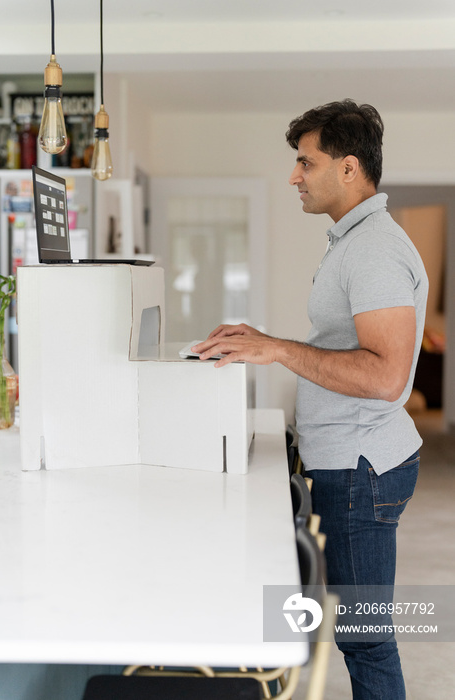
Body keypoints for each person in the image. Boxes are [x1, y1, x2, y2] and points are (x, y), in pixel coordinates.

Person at [192, 99, 428, 700]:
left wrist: (275, 349)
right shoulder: (352, 240)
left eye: (306, 162)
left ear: (350, 168)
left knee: (366, 640)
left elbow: (385, 377)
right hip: (348, 461)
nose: (294, 176)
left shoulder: (374, 248)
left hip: (361, 467)